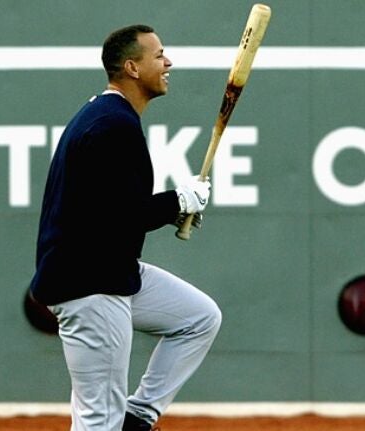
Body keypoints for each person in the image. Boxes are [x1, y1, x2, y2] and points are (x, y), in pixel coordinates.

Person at [29, 24, 222, 431]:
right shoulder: (112, 125)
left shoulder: (108, 116)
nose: (168, 62)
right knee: (98, 421)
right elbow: (119, 215)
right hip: (89, 284)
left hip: (109, 270)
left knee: (199, 317)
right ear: (133, 68)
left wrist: (175, 206)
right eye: (159, 56)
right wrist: (178, 201)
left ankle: (138, 416)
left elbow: (108, 210)